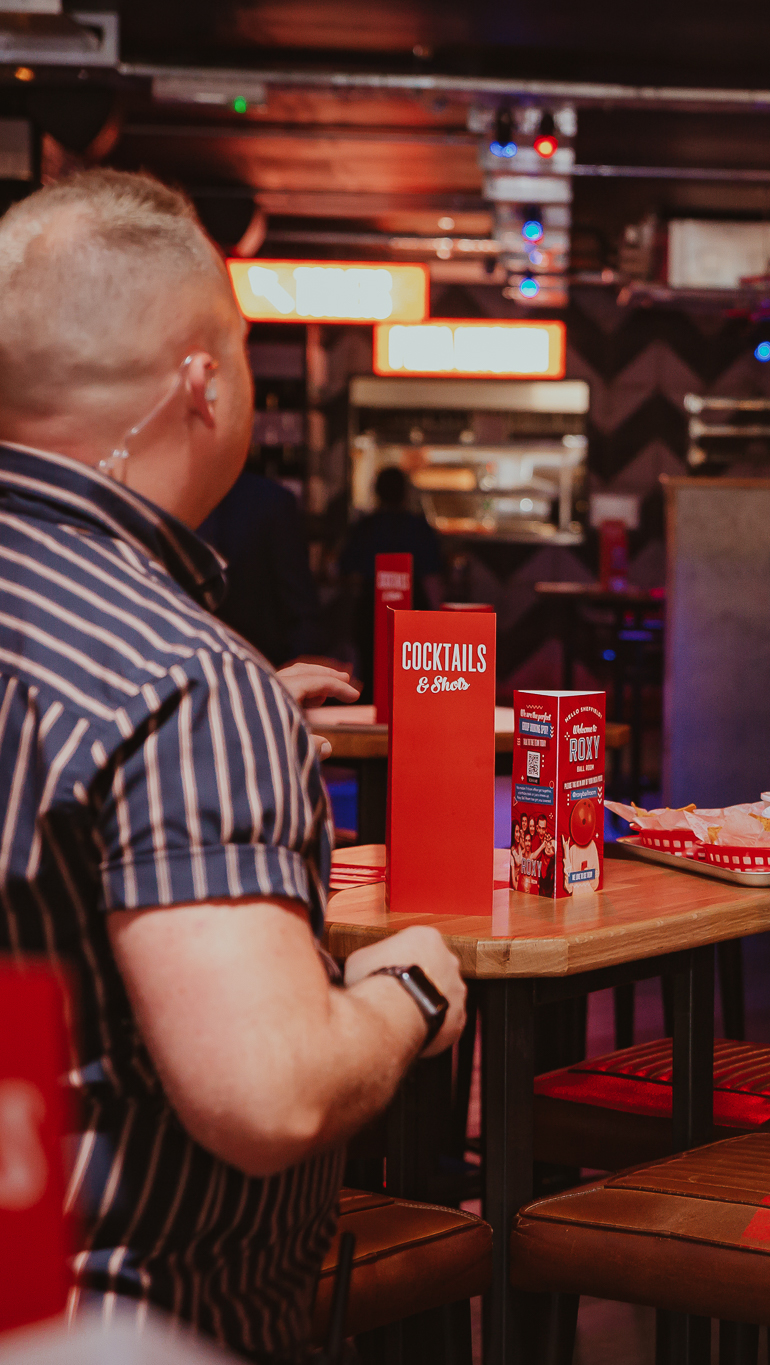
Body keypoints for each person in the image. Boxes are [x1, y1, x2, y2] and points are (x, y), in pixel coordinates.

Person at [0, 169, 468, 1359]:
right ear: (200, 383)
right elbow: (270, 1094)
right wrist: (406, 992)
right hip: (115, 1318)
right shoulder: (178, 677)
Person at [197, 466, 324, 667]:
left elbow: (300, 604)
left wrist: (299, 672)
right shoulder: (157, 496)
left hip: (261, 666)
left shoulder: (268, 501)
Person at [339, 466, 444, 699]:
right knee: (413, 677)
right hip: (413, 613)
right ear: (405, 492)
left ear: (376, 491)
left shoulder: (365, 527)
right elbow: (431, 578)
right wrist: (440, 622)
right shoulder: (418, 527)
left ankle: (373, 727)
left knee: (373, 678)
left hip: (371, 612)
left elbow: (347, 573)